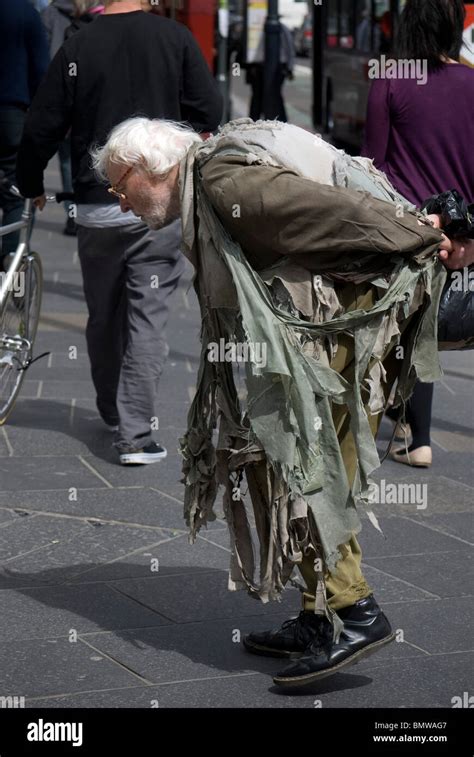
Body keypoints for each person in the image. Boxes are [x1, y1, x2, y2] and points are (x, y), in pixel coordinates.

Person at [91, 116, 474, 686]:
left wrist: (422, 233)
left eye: (122, 186)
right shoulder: (215, 173)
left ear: (153, 168)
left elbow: (326, 212)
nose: (121, 203)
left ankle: (354, 613)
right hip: (329, 328)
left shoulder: (224, 181)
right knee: (307, 464)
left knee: (308, 465)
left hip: (346, 326)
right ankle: (319, 615)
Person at [16, 0, 222, 465]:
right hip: (159, 203)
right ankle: (134, 434)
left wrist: (31, 183)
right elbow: (209, 109)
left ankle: (111, 407)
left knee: (103, 312)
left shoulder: (78, 44)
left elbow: (43, 121)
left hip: (97, 202)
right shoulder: (175, 40)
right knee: (147, 317)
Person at [362, 0, 474, 468]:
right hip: (460, 229)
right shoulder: (472, 81)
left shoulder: (390, 79)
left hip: (403, 226)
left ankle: (413, 432)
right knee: (424, 328)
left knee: (403, 325)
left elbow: (371, 166)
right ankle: (413, 428)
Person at [0, 0, 49, 268]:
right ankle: (10, 270)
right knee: (17, 194)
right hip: (12, 113)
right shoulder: (26, 14)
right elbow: (42, 71)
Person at [40, 0, 77, 235]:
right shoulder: (99, 12)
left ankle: (73, 214)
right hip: (91, 96)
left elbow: (44, 55)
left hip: (61, 95)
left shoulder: (50, 13)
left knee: (66, 161)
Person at [245, 19, 295, 121]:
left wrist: (290, 67)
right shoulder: (259, 28)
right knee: (260, 95)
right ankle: (258, 120)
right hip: (260, 66)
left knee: (273, 94)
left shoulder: (281, 28)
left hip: (277, 66)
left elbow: (289, 48)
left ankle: (279, 119)